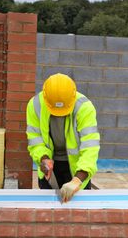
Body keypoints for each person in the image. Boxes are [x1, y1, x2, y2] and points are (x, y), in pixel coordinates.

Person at [26, 73, 100, 202]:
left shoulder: (84, 108)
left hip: (77, 168)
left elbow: (90, 148)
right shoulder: (35, 105)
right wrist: (43, 159)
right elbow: (35, 139)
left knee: (79, 213)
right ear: (45, 97)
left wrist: (77, 179)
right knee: (48, 211)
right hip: (50, 167)